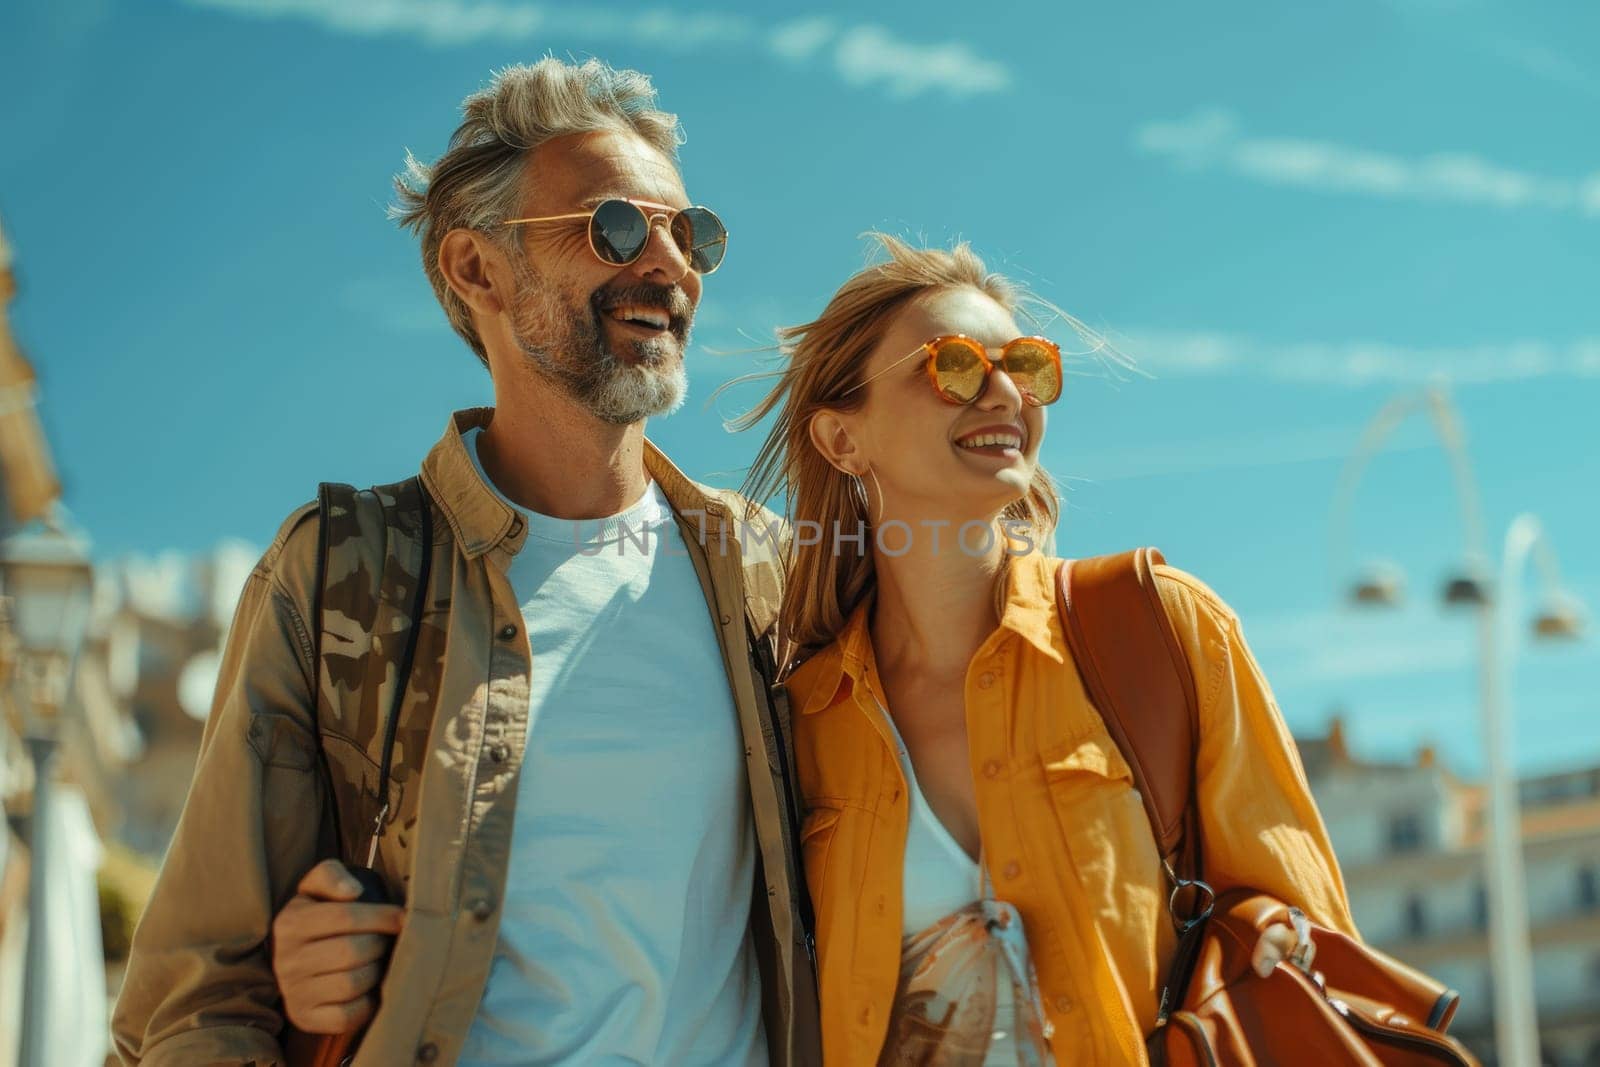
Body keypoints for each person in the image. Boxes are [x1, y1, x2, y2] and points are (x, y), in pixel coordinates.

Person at [111, 58, 818, 1066]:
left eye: (689, 231)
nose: (670, 266)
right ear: (475, 269)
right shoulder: (342, 572)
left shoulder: (770, 573)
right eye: (616, 226)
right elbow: (194, 992)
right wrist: (291, 972)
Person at [735, 234, 1357, 1065]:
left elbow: (1307, 947)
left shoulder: (1158, 629)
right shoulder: (804, 716)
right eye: (951, 365)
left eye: (1025, 366)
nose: (1003, 392)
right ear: (843, 440)